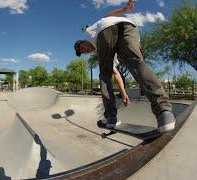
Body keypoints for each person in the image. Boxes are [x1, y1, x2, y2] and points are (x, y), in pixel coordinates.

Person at [74, 0, 176, 132]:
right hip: (129, 27)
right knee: (137, 64)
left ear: (83, 41)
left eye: (81, 48)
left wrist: (123, 9)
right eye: (81, 53)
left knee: (104, 74)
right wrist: (124, 93)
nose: (84, 51)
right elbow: (116, 74)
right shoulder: (104, 50)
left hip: (109, 29)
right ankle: (164, 112)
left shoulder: (89, 32)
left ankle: (110, 116)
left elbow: (107, 17)